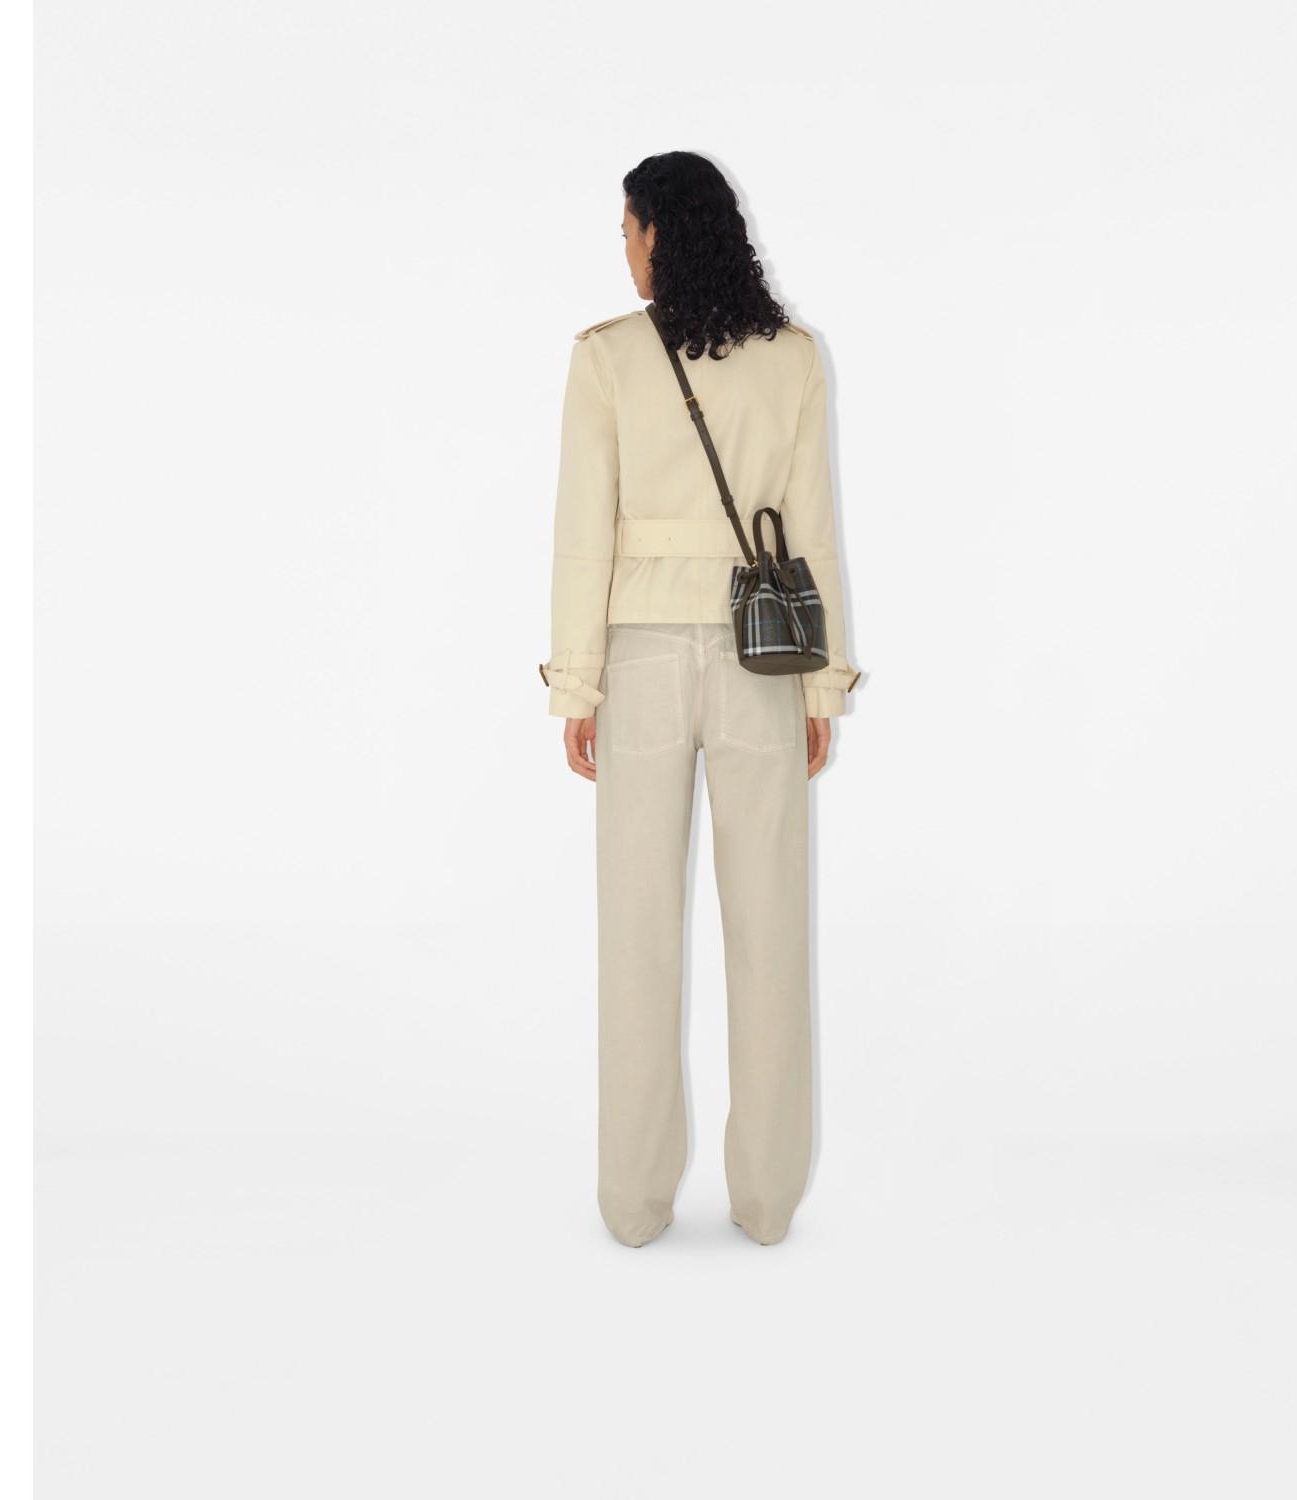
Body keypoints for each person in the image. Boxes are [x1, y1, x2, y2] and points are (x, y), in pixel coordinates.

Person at [539, 151, 861, 1248]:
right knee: (770, 925)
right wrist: (822, 682)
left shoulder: (608, 358)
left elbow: (582, 533)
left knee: (637, 931)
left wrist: (575, 681)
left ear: (659, 234)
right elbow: (812, 534)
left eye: (628, 231)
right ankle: (767, 1201)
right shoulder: (793, 356)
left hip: (637, 657)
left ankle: (633, 1203)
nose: (624, 252)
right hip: (762, 656)